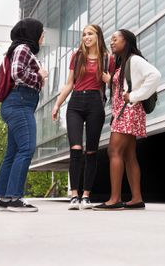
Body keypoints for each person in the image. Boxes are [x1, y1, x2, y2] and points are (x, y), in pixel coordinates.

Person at [94, 29, 160, 211]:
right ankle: (136, 198)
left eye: (115, 39)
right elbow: (125, 84)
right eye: (111, 40)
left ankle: (114, 199)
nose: (112, 42)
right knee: (129, 156)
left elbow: (155, 76)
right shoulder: (124, 62)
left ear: (127, 41)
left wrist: (135, 96)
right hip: (125, 111)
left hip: (128, 111)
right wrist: (111, 81)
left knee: (113, 151)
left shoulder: (135, 60)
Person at [52, 24, 112, 210]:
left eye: (90, 34)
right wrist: (57, 104)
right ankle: (74, 195)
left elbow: (114, 84)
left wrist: (109, 80)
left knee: (91, 151)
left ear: (98, 36)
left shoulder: (107, 58)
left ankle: (86, 195)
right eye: (84, 34)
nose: (86, 37)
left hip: (95, 103)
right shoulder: (77, 57)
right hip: (76, 103)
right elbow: (69, 84)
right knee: (76, 148)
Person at [0, 17, 48, 212]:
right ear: (33, 33)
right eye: (41, 32)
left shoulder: (19, 49)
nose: (43, 36)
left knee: (13, 152)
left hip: (16, 103)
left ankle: (6, 199)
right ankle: (16, 198)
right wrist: (39, 76)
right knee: (26, 149)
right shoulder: (24, 49)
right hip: (20, 103)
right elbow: (18, 73)